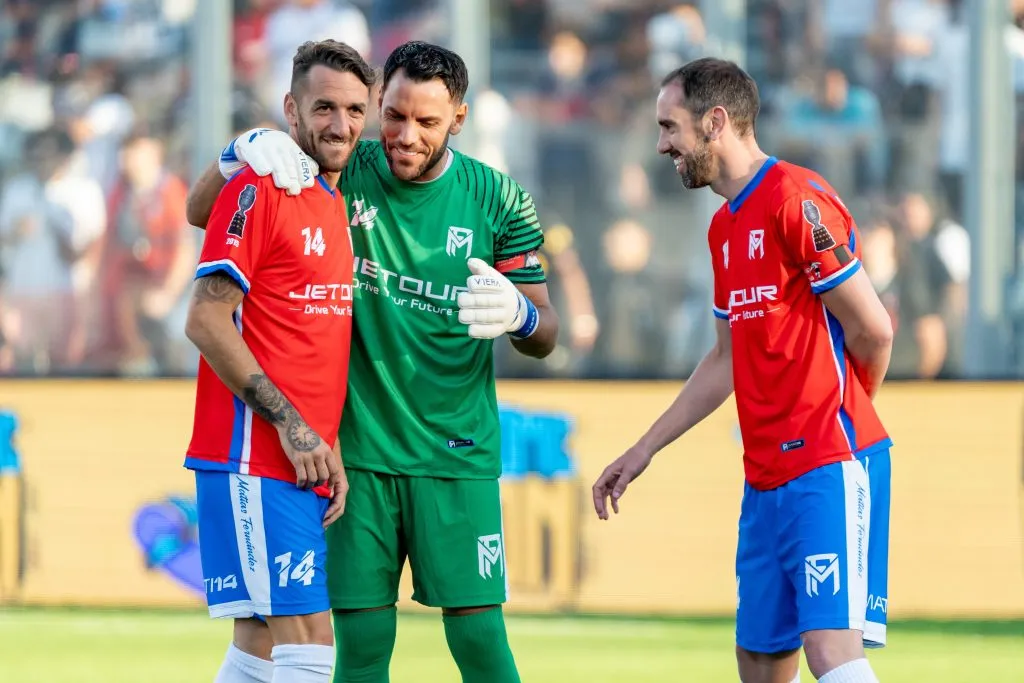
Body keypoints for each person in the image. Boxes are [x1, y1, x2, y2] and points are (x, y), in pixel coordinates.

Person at [185, 41, 559, 683]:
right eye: (394, 116)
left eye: (427, 122)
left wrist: (522, 316)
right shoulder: (338, 163)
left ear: (459, 119)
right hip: (353, 453)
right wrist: (240, 150)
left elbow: (545, 332)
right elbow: (208, 214)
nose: (405, 136)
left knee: (479, 638)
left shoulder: (498, 198)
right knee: (357, 644)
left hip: (456, 450)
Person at [591, 58, 894, 683]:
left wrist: (840, 415)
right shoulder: (724, 227)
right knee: (758, 660)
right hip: (764, 476)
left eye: (670, 127)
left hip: (826, 462)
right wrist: (644, 449)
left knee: (830, 651)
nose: (662, 145)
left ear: (715, 121)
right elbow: (725, 359)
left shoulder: (796, 201)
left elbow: (875, 329)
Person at [183, 39, 374, 683]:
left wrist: (325, 438)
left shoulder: (333, 200)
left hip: (296, 455)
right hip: (254, 454)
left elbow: (307, 337)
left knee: (259, 645)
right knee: (310, 643)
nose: (340, 125)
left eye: (354, 110)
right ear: (291, 110)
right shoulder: (261, 186)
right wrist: (293, 426)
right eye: (324, 108)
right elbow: (205, 319)